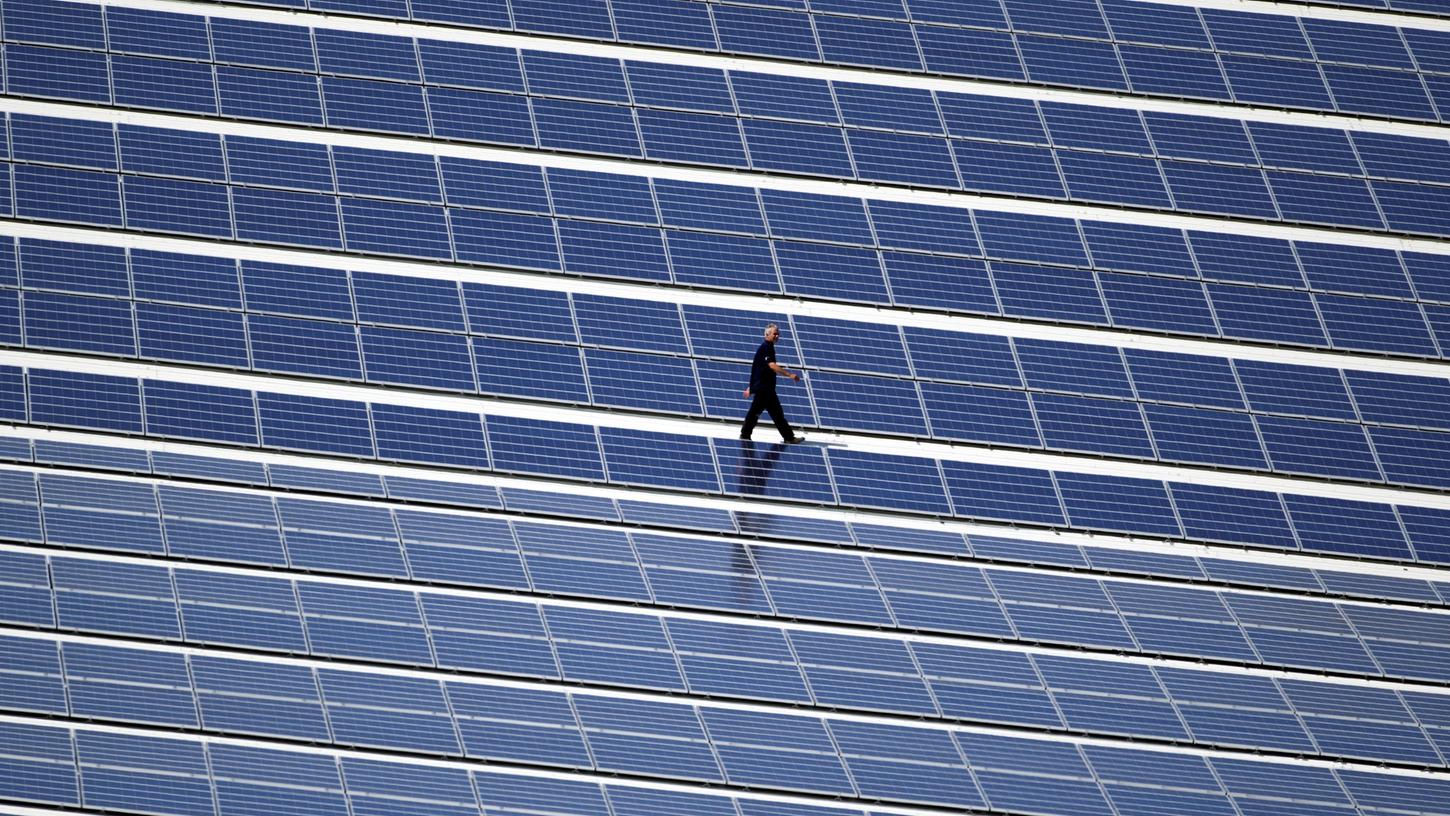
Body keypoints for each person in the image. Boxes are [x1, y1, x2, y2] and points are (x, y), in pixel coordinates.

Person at [741, 323, 804, 443]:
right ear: (767, 334)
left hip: (766, 388)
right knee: (757, 413)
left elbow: (759, 369)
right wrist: (790, 375)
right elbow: (772, 366)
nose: (777, 336)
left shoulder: (767, 347)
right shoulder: (766, 348)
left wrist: (750, 387)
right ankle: (745, 435)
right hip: (764, 389)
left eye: (778, 334)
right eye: (774, 334)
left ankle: (788, 437)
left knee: (774, 413)